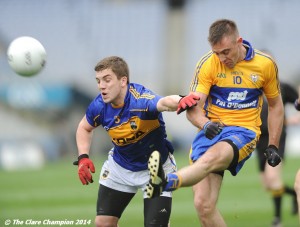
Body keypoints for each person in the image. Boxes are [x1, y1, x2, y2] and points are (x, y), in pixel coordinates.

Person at [145, 19, 284, 227]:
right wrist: (205, 124)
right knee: (204, 206)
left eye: (226, 52)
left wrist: (273, 144)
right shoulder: (208, 63)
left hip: (242, 133)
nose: (221, 58)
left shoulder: (265, 64)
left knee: (212, 157)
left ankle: (166, 181)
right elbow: (193, 108)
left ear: (239, 41)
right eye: (216, 52)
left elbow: (276, 106)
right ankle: (166, 181)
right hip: (211, 131)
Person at [73, 56, 199, 227]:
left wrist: (181, 99)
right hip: (120, 168)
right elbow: (84, 127)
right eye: (98, 80)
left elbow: (164, 102)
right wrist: (83, 157)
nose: (101, 86)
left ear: (123, 80)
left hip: (156, 170)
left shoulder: (141, 100)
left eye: (107, 79)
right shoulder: (99, 106)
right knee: (103, 224)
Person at [256, 80, 299, 227]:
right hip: (259, 140)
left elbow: (297, 101)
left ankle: (277, 220)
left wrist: (294, 119)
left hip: (277, 137)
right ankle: (294, 193)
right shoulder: (249, 85)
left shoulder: (282, 87)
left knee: (273, 177)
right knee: (268, 184)